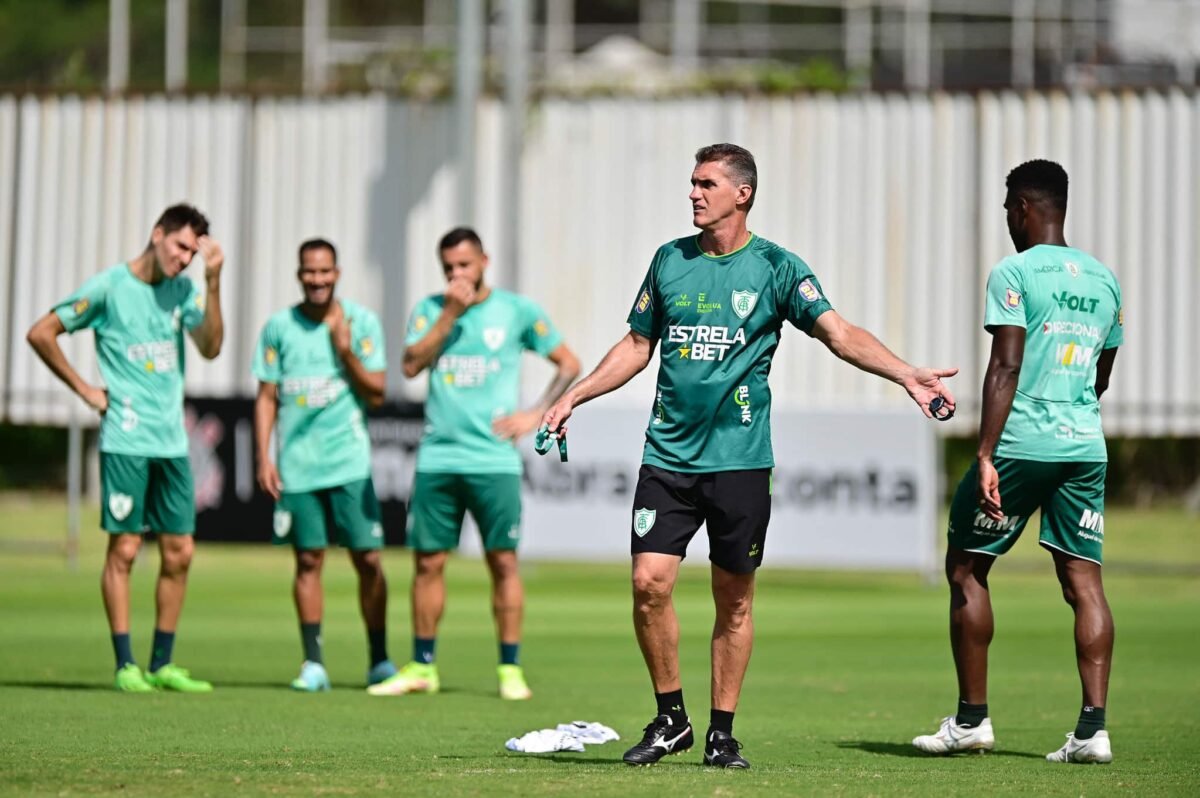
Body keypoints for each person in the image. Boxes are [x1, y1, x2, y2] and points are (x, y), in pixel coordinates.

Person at [540, 143, 958, 769]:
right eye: (691, 183)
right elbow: (635, 345)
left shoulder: (777, 268)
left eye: (706, 183)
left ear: (743, 193)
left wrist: (905, 374)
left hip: (739, 461)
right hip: (668, 457)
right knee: (647, 584)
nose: (693, 193)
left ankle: (722, 732)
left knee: (733, 599)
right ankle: (671, 717)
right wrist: (575, 394)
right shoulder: (669, 261)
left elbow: (838, 333)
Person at [912, 160, 1123, 765]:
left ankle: (972, 721)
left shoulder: (1014, 271)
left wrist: (985, 454)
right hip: (1084, 445)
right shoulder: (1105, 279)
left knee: (966, 569)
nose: (1008, 220)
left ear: (1024, 207)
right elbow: (1101, 374)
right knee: (1084, 582)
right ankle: (1093, 730)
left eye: (1009, 209)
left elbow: (1004, 365)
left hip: (1022, 445)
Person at [369, 227, 580, 701]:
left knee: (503, 562)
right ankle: (422, 665)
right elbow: (409, 366)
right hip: (438, 456)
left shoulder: (515, 311)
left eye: (464, 265)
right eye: (448, 268)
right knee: (428, 563)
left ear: (484, 260)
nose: (456, 275)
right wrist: (449, 313)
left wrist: (536, 414)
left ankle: (509, 670)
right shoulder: (431, 309)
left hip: (493, 460)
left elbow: (568, 362)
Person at [25, 203, 225, 693]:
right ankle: (124, 664)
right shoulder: (110, 287)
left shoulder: (184, 290)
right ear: (157, 234)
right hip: (127, 440)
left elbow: (212, 346)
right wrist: (86, 391)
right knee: (127, 547)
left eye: (191, 254)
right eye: (179, 247)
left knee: (179, 551)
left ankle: (162, 663)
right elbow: (41, 332)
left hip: (172, 444)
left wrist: (214, 282)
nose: (182, 260)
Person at [252, 238, 397, 692]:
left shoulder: (360, 322)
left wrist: (345, 350)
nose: (317, 279)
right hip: (298, 466)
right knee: (308, 560)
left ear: (337, 274)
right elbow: (267, 396)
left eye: (325, 272)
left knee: (369, 560)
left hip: (348, 464)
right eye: (309, 272)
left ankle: (379, 659)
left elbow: (377, 392)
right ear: (300, 275)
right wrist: (264, 456)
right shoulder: (278, 327)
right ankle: (313, 663)